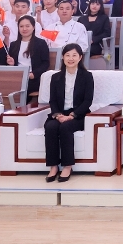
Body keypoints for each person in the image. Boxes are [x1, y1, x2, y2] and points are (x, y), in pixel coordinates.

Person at [44, 43, 94, 183]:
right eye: (67, 55)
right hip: (59, 114)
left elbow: (87, 101)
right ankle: (53, 166)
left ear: (80, 57)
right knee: (51, 127)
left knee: (65, 127)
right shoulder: (56, 77)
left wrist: (72, 115)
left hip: (79, 115)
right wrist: (58, 115)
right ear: (62, 57)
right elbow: (53, 100)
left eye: (74, 55)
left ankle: (67, 166)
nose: (70, 58)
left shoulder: (87, 76)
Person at [9, 15, 51, 103]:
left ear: (33, 27)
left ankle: (21, 107)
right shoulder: (13, 45)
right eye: (21, 26)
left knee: (23, 87)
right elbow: (12, 65)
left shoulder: (41, 43)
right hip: (17, 77)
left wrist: (34, 74)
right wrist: (12, 64)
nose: (24, 29)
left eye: (27, 26)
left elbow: (45, 63)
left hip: (33, 78)